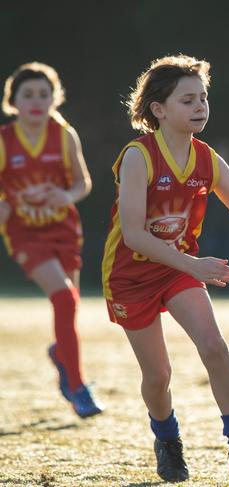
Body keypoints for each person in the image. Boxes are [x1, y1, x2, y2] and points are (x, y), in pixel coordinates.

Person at [101, 55, 229, 484]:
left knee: (214, 347)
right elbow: (133, 234)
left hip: (179, 270)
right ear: (158, 110)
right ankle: (167, 439)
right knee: (159, 375)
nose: (200, 105)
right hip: (131, 276)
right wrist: (194, 264)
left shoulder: (208, 158)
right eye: (188, 99)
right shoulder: (137, 156)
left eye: (203, 97)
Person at [0, 62, 103, 418]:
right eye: (28, 94)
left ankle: (62, 355)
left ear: (54, 99)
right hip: (26, 235)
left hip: (63, 231)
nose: (36, 101)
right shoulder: (4, 141)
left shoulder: (64, 134)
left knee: (68, 306)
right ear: (13, 101)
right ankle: (78, 387)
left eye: (44, 94)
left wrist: (66, 196)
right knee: (63, 297)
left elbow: (82, 183)